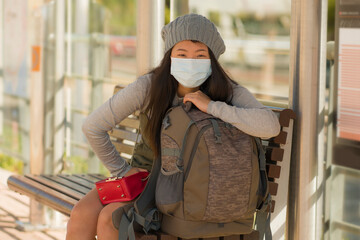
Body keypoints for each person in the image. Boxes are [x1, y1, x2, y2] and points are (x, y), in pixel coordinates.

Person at [65, 13, 280, 240]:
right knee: (82, 212)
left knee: (111, 218)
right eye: (182, 54)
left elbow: (270, 126)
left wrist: (212, 107)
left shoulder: (227, 91)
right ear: (170, 56)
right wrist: (122, 170)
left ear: (212, 60)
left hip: (187, 190)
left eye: (200, 55)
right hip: (146, 178)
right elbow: (93, 126)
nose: (190, 61)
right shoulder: (149, 86)